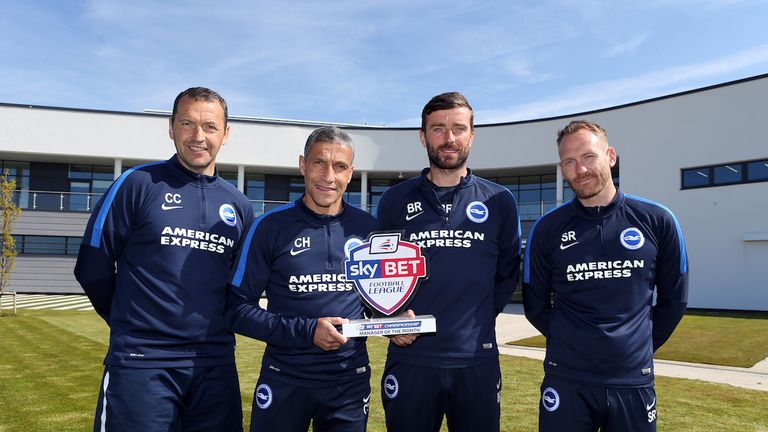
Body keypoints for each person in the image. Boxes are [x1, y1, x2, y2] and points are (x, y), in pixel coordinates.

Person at [74, 87, 254, 432]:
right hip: (142, 363)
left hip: (215, 365)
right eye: (187, 123)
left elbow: (237, 287)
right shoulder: (136, 184)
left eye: (210, 127)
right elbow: (92, 268)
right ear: (171, 127)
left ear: (226, 134)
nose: (198, 136)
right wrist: (133, 323)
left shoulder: (239, 205)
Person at [523, 120, 689, 432]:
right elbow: (535, 305)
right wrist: (573, 341)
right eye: (570, 162)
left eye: (588, 157)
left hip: (631, 380)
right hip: (567, 379)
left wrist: (634, 346)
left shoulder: (657, 221)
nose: (580, 170)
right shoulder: (547, 230)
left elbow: (675, 300)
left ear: (610, 156)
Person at [375, 92, 522, 432]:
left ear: (472, 135)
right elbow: (377, 274)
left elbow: (506, 274)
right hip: (411, 360)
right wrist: (389, 317)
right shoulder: (395, 200)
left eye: (459, 128)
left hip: (476, 361)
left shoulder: (500, 201)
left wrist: (477, 319)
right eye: (438, 129)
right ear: (423, 136)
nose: (449, 138)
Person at [226, 126, 376, 432]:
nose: (328, 176)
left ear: (350, 173)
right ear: (302, 164)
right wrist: (307, 331)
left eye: (340, 166)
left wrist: (398, 319)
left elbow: (379, 302)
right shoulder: (268, 227)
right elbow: (237, 310)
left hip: (349, 381)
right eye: (319, 162)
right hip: (285, 378)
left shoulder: (370, 230)